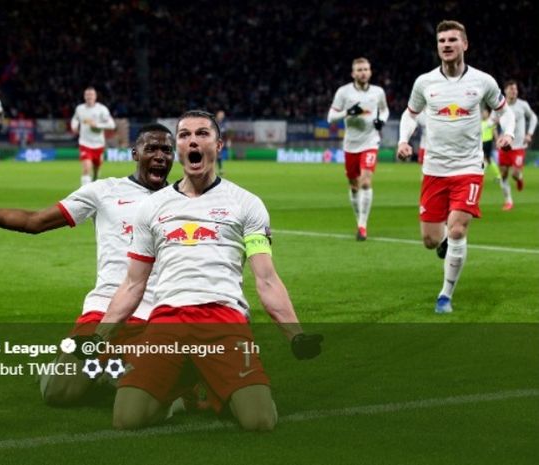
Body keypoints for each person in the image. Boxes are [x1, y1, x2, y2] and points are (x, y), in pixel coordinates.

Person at [97, 110, 322, 432]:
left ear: (219, 144)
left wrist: (295, 334)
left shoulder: (246, 203)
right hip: (167, 321)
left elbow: (266, 278)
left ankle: (210, 381)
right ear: (179, 147)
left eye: (202, 134)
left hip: (223, 320)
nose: (193, 140)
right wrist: (99, 336)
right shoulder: (151, 207)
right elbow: (133, 284)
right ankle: (187, 383)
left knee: (260, 421)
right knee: (126, 418)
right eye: (185, 135)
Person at [0, 124, 176, 405]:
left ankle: (116, 370)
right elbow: (34, 222)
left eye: (167, 150)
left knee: (170, 393)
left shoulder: (185, 201)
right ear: (135, 153)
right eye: (152, 149)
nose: (160, 156)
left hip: (160, 317)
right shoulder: (105, 191)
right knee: (58, 393)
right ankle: (86, 367)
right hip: (106, 311)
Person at [396, 20, 515, 314]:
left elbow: (504, 111)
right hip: (434, 170)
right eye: (442, 41)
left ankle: (445, 295)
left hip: (469, 168)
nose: (446, 45)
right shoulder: (425, 83)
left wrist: (508, 133)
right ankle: (445, 240)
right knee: (430, 240)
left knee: (459, 229)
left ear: (465, 44)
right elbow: (410, 114)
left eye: (452, 40)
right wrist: (403, 140)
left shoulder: (482, 81)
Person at [327, 57, 389, 241]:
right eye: (359, 70)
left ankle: (362, 226)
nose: (363, 72)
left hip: (370, 142)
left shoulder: (378, 92)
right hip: (351, 145)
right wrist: (347, 112)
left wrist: (381, 120)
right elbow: (331, 117)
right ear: (353, 73)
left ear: (370, 72)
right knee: (354, 187)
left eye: (366, 69)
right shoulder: (344, 92)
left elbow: (385, 110)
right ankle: (358, 220)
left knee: (366, 182)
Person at [496, 80, 537, 211]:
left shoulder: (523, 105)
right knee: (503, 175)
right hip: (505, 146)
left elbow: (534, 118)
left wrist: (529, 134)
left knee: (514, 174)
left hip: (519, 147)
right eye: (511, 89)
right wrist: (497, 137)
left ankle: (519, 178)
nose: (514, 91)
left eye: (515, 89)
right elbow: (491, 121)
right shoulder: (499, 105)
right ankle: (508, 201)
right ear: (505, 91)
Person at [71, 87, 116, 186]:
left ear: (95, 96)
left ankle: (95, 180)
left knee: (96, 169)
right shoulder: (80, 108)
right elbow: (75, 118)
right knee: (86, 167)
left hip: (98, 144)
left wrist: (97, 125)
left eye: (91, 95)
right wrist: (74, 126)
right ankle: (84, 192)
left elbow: (112, 125)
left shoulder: (102, 109)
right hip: (85, 143)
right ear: (84, 96)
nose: (89, 97)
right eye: (87, 95)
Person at [480, 107, 501, 182]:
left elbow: (494, 132)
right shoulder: (480, 122)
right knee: (487, 160)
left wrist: (497, 140)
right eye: (482, 113)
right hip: (481, 143)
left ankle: (481, 175)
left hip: (487, 142)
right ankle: (498, 175)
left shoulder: (490, 122)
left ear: (488, 114)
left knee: (485, 159)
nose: (483, 114)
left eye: (485, 113)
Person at [215, 110, 230, 175]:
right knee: (213, 156)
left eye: (222, 115)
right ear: (217, 115)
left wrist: (228, 141)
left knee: (218, 156)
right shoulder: (214, 123)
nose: (222, 116)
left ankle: (220, 169)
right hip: (213, 141)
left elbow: (225, 134)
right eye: (221, 114)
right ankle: (213, 170)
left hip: (219, 142)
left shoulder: (223, 124)